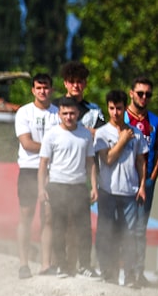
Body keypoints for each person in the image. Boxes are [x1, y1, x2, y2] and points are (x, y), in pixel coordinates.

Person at [54, 61, 105, 277]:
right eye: (72, 82)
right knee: (57, 223)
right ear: (66, 83)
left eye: (80, 82)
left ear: (85, 84)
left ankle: (84, 264)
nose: (76, 86)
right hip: (58, 173)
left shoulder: (93, 111)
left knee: (82, 223)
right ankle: (56, 264)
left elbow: (106, 137)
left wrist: (94, 132)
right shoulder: (54, 107)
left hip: (83, 173)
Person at [38, 97, 98, 277]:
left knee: (84, 228)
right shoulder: (52, 134)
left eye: (72, 113)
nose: (69, 117)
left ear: (78, 113)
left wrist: (93, 186)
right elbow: (43, 164)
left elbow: (90, 163)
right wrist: (41, 188)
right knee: (59, 227)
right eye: (65, 113)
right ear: (59, 114)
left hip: (79, 186)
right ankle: (62, 266)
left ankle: (85, 265)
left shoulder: (85, 134)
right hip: (57, 185)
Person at [93, 90, 147, 285]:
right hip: (108, 191)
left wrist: (142, 185)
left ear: (125, 108)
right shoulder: (102, 133)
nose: (115, 112)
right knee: (107, 233)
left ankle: (130, 274)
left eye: (119, 108)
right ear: (108, 108)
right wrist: (123, 139)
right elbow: (106, 159)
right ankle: (109, 272)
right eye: (112, 108)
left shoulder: (137, 133)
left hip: (129, 191)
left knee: (129, 235)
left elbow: (141, 161)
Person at [14, 73, 60, 278]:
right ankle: (23, 263)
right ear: (33, 90)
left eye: (46, 87)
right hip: (29, 170)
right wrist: (51, 147)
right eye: (39, 88)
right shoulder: (24, 112)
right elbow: (27, 144)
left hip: (52, 171)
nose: (43, 91)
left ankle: (45, 264)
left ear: (52, 89)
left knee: (48, 217)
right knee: (26, 215)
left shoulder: (59, 114)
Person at [124, 76, 158, 287]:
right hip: (123, 181)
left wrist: (153, 176)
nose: (144, 97)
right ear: (131, 93)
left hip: (145, 181)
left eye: (148, 94)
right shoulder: (122, 117)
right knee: (122, 227)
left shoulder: (154, 121)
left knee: (140, 228)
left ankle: (138, 272)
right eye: (140, 93)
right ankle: (121, 270)